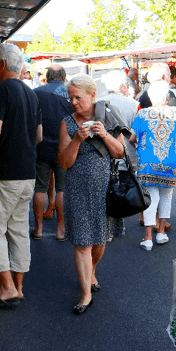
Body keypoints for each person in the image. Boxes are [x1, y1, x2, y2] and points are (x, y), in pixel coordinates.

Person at [0, 43, 42, 309]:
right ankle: (18, 286)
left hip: (3, 175)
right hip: (28, 174)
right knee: (18, 231)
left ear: (3, 64)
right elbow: (37, 136)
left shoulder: (0, 91)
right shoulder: (31, 94)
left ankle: (6, 287)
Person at [58, 74, 126, 314]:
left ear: (92, 94)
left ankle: (92, 270)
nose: (74, 102)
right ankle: (85, 294)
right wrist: (77, 139)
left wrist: (104, 134)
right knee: (82, 243)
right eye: (71, 98)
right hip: (77, 190)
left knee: (100, 239)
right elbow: (64, 163)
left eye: (78, 97)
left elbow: (120, 153)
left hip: (104, 189)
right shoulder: (68, 123)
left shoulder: (107, 116)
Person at [131, 82, 176, 250]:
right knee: (166, 196)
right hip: (168, 162)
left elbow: (132, 138)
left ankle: (148, 237)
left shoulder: (142, 114)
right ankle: (161, 232)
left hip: (148, 162)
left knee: (151, 197)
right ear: (166, 98)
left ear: (149, 98)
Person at [32, 64, 73, 241]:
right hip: (65, 146)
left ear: (47, 76)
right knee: (62, 188)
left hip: (41, 146)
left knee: (40, 187)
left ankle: (39, 229)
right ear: (63, 77)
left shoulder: (36, 92)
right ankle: (61, 229)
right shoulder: (71, 93)